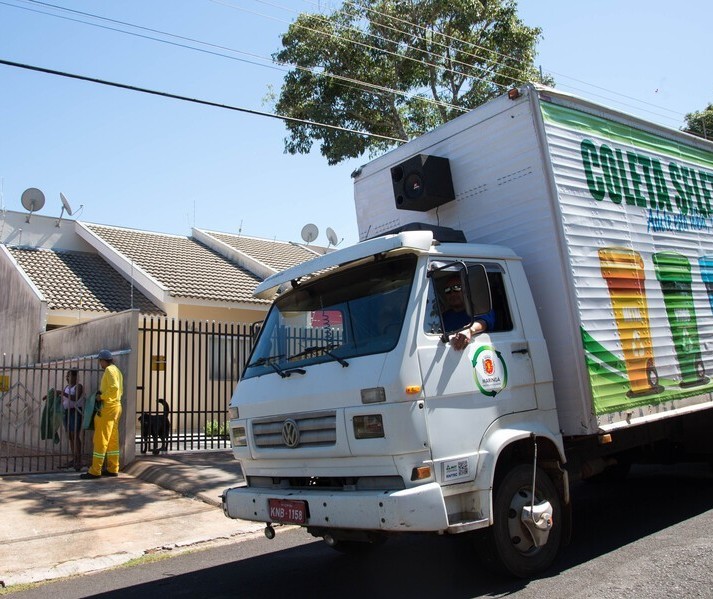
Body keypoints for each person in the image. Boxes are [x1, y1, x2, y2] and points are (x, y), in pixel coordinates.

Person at [80, 349, 124, 480]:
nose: (100, 364)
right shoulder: (117, 370)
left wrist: (101, 397)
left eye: (100, 361)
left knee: (101, 439)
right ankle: (113, 468)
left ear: (104, 361)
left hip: (108, 407)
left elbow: (114, 388)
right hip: (116, 407)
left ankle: (95, 470)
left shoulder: (109, 370)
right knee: (112, 440)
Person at [441, 275, 495, 351]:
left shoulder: (481, 309)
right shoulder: (443, 317)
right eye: (447, 290)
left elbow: (483, 322)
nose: (452, 294)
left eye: (457, 288)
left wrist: (469, 330)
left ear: (466, 291)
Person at [60, 369, 85, 471]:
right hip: (67, 412)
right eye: (67, 376)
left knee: (75, 435)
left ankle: (79, 460)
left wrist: (62, 393)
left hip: (75, 412)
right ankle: (74, 458)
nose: (67, 378)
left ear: (75, 377)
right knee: (70, 436)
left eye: (69, 376)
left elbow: (75, 398)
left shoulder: (78, 387)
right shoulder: (66, 387)